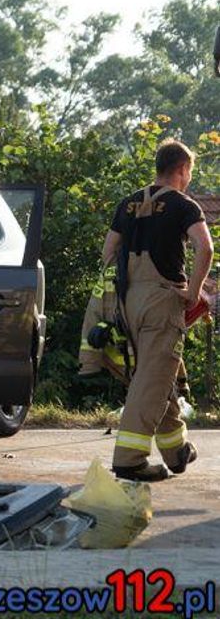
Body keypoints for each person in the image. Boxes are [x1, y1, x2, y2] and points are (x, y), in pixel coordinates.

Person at [102, 139, 213, 482]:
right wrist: (193, 293)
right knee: (150, 381)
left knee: (159, 373)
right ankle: (129, 460)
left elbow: (107, 253)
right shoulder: (184, 205)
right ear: (181, 169)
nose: (189, 179)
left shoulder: (128, 203)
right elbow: (205, 248)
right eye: (189, 173)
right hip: (163, 302)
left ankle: (175, 450)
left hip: (127, 302)